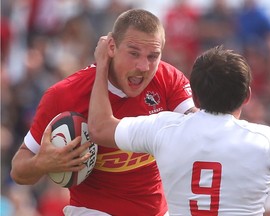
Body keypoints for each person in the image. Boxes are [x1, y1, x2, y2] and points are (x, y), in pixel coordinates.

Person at [10, 9, 196, 216]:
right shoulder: (64, 95)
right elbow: (18, 170)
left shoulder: (168, 79)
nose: (143, 66)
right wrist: (41, 163)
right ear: (112, 47)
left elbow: (198, 125)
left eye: (153, 56)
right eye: (133, 53)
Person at [87, 43, 270, 215]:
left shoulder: (163, 128)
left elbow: (100, 128)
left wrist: (103, 64)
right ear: (247, 96)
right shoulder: (268, 142)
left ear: (195, 95)